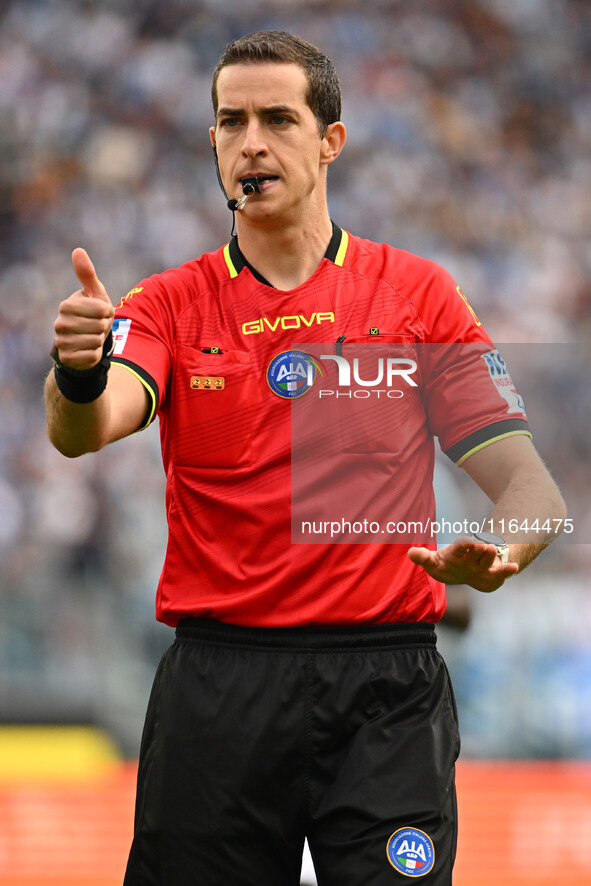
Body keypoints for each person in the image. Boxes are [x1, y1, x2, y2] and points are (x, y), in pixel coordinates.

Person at [45, 30, 567, 886]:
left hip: (385, 695)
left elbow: (529, 486)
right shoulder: (167, 303)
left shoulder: (416, 295)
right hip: (219, 686)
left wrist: (504, 550)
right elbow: (90, 425)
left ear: (331, 141)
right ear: (211, 142)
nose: (250, 141)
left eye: (277, 119)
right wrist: (75, 370)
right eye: (229, 121)